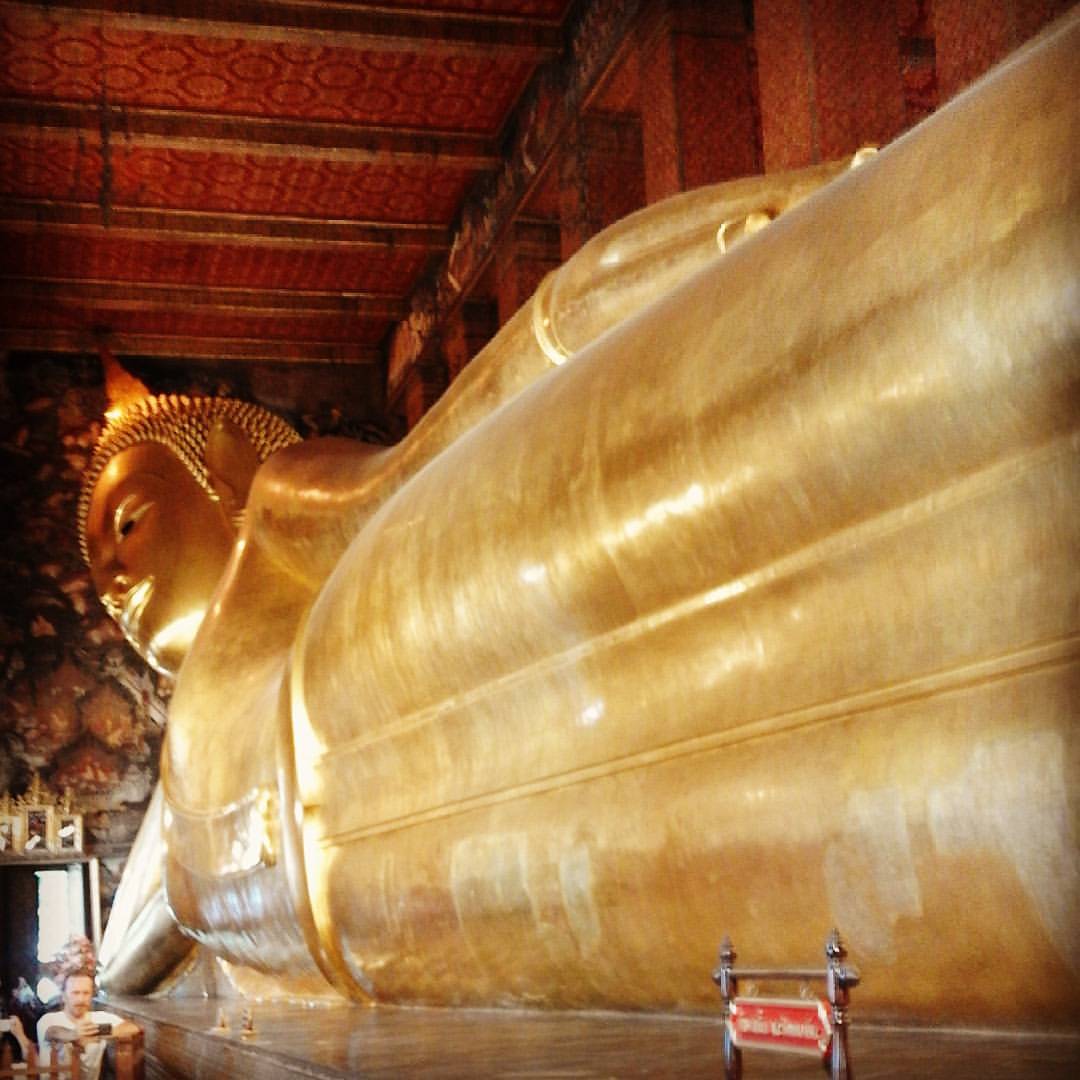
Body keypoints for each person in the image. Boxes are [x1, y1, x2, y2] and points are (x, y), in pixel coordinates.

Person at [83, 14, 1078, 1027]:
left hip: (382, 655)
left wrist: (629, 289)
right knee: (842, 822)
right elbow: (130, 956)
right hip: (409, 899)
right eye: (97, 571)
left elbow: (432, 447)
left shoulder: (279, 502)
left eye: (125, 524)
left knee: (764, 451)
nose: (113, 581)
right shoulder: (179, 792)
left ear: (224, 464)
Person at [36, 972, 138, 1080]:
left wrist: (98, 1034)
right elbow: (53, 1032)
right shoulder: (48, 1019)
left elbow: (132, 1027)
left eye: (86, 993)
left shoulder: (99, 1018)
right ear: (64, 996)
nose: (81, 999)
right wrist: (74, 1034)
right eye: (75, 993)